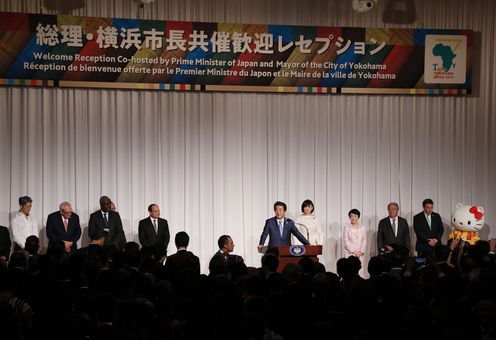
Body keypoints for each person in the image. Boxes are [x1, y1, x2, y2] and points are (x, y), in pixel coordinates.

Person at [343, 209, 366, 275]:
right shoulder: (347, 228)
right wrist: (353, 251)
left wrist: (361, 251)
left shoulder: (362, 227)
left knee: (359, 270)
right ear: (349, 217)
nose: (353, 218)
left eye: (355, 216)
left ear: (358, 217)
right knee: (349, 271)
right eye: (351, 216)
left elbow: (364, 240)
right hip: (349, 252)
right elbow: (346, 241)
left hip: (360, 253)